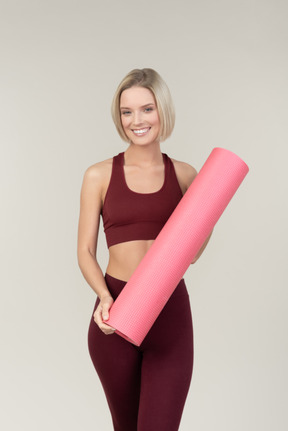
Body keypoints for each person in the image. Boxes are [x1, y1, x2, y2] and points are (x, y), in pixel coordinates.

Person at [77, 68, 212, 431]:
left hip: (169, 318)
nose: (137, 120)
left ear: (162, 111)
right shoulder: (99, 175)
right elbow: (86, 251)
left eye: (147, 109)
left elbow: (194, 252)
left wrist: (205, 217)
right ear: (118, 117)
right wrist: (104, 298)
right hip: (116, 314)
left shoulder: (185, 175)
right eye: (127, 112)